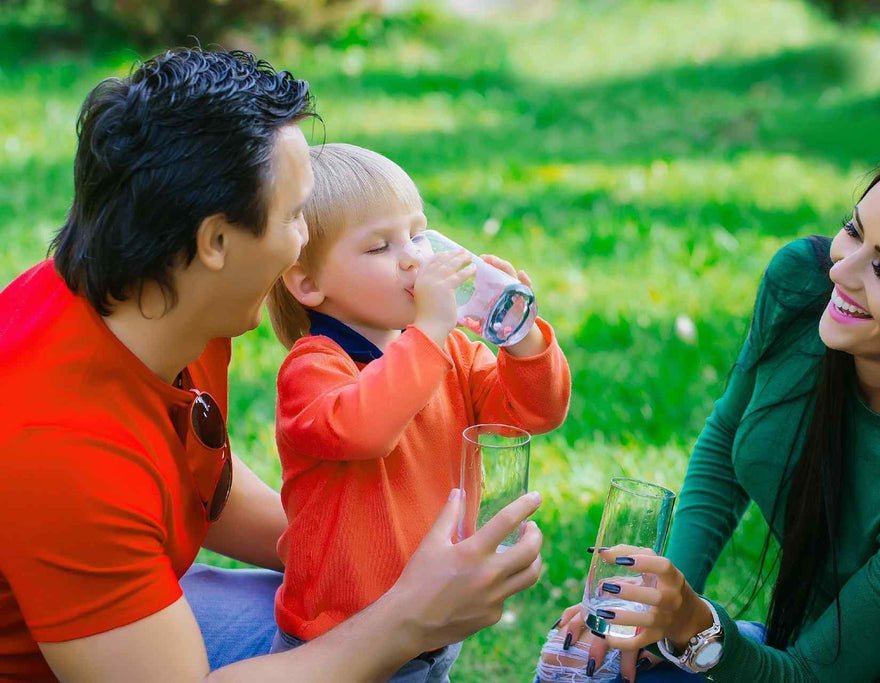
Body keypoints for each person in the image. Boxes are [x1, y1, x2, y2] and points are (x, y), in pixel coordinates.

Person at [0, 47, 544, 682]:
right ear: (215, 242)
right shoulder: (61, 449)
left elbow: (198, 481)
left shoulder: (155, 296)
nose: (302, 244)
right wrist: (407, 617)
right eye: (294, 217)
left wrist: (356, 558)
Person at [539, 149, 880, 682]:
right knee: (591, 667)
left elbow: (806, 677)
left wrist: (695, 629)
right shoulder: (801, 288)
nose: (842, 268)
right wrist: (659, 601)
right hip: (788, 653)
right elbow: (728, 440)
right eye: (853, 230)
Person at [263, 142, 572, 681]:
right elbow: (367, 429)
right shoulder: (313, 369)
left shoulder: (450, 351)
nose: (413, 256)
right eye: (380, 247)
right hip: (340, 635)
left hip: (436, 618)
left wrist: (519, 339)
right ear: (308, 284)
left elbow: (533, 412)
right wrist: (429, 330)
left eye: (417, 233)